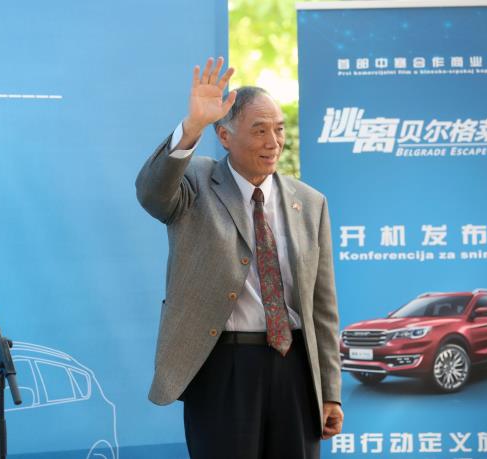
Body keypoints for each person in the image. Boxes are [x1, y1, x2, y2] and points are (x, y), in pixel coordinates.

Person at [136, 56, 343, 459]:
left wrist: (330, 391)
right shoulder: (196, 180)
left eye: (279, 130)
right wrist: (191, 126)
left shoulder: (310, 202)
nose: (273, 142)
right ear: (225, 136)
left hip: (296, 370)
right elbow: (152, 193)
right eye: (259, 130)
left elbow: (323, 308)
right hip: (222, 368)